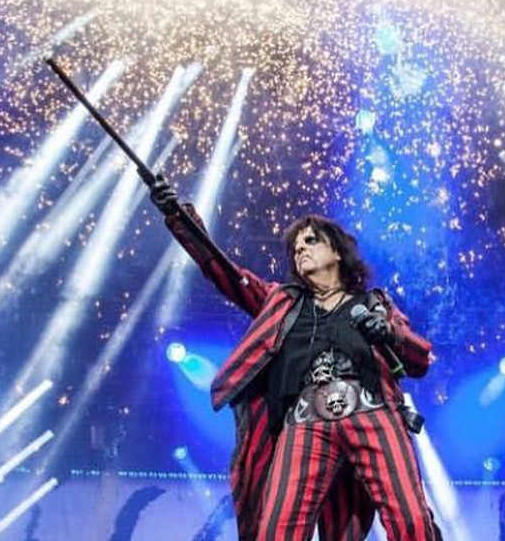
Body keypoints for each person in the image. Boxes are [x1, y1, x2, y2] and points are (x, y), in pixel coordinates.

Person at [150, 174, 442, 541]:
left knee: (411, 520)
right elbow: (226, 272)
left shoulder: (374, 303)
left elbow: (420, 359)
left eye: (310, 241)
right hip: (304, 422)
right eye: (296, 246)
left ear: (337, 252)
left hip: (372, 412)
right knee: (276, 530)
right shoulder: (283, 301)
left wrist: (389, 333)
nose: (300, 249)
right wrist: (179, 217)